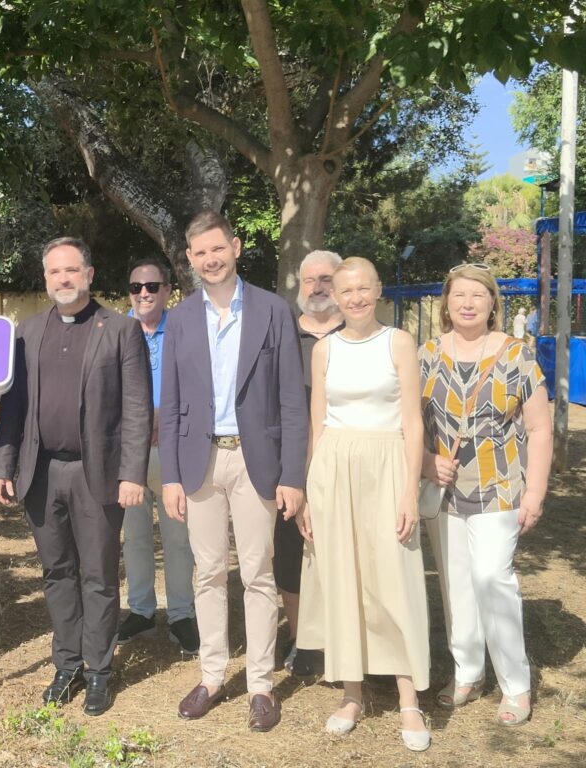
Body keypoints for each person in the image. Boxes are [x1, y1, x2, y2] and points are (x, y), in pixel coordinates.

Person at [0, 237, 152, 716]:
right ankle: (68, 664)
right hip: (40, 473)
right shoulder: (28, 331)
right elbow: (12, 405)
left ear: (90, 274)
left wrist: (132, 473)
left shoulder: (120, 329)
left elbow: (137, 409)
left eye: (72, 270)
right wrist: (3, 464)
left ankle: (100, 669)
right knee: (57, 573)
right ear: (46, 278)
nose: (64, 279)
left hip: (96, 473)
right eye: (55, 272)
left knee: (98, 576)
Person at [158, 211, 307, 731]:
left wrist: (293, 475)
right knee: (208, 572)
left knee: (259, 573)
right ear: (190, 258)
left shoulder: (272, 310)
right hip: (199, 463)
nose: (209, 260)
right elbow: (172, 405)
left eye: (217, 249)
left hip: (256, 461)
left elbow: (292, 401)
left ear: (236, 247)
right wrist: (172, 476)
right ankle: (213, 675)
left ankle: (261, 684)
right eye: (199, 253)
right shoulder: (178, 320)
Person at [296, 257, 430, 752]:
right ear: (335, 293)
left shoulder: (399, 342)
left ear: (377, 292)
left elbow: (413, 422)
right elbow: (317, 423)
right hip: (333, 467)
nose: (353, 298)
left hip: (387, 464)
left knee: (392, 576)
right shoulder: (324, 350)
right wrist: (310, 490)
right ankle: (352, 692)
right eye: (344, 289)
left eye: (362, 289)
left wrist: (409, 491)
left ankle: (407, 696)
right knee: (344, 576)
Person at [419, 263, 552, 726]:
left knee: (492, 578)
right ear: (447, 303)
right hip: (445, 490)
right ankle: (468, 671)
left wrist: (535, 492)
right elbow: (408, 425)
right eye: (459, 296)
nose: (468, 303)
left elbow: (538, 428)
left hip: (500, 488)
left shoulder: (518, 355)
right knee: (455, 584)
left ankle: (516, 684)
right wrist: (422, 462)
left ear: (494, 303)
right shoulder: (427, 355)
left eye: (478, 295)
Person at [117, 258, 198, 655]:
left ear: (168, 290)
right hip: (128, 454)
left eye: (152, 286)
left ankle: (182, 614)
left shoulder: (183, 332)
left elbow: (197, 388)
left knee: (178, 536)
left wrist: (159, 420)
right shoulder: (116, 333)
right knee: (133, 535)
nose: (144, 293)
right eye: (136, 287)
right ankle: (142, 609)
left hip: (172, 451)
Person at [283, 249, 344, 678]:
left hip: (344, 460)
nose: (318, 288)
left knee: (343, 553)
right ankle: (300, 637)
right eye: (310, 280)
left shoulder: (358, 334)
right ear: (298, 285)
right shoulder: (282, 333)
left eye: (326, 279)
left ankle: (346, 639)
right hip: (290, 459)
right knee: (289, 552)